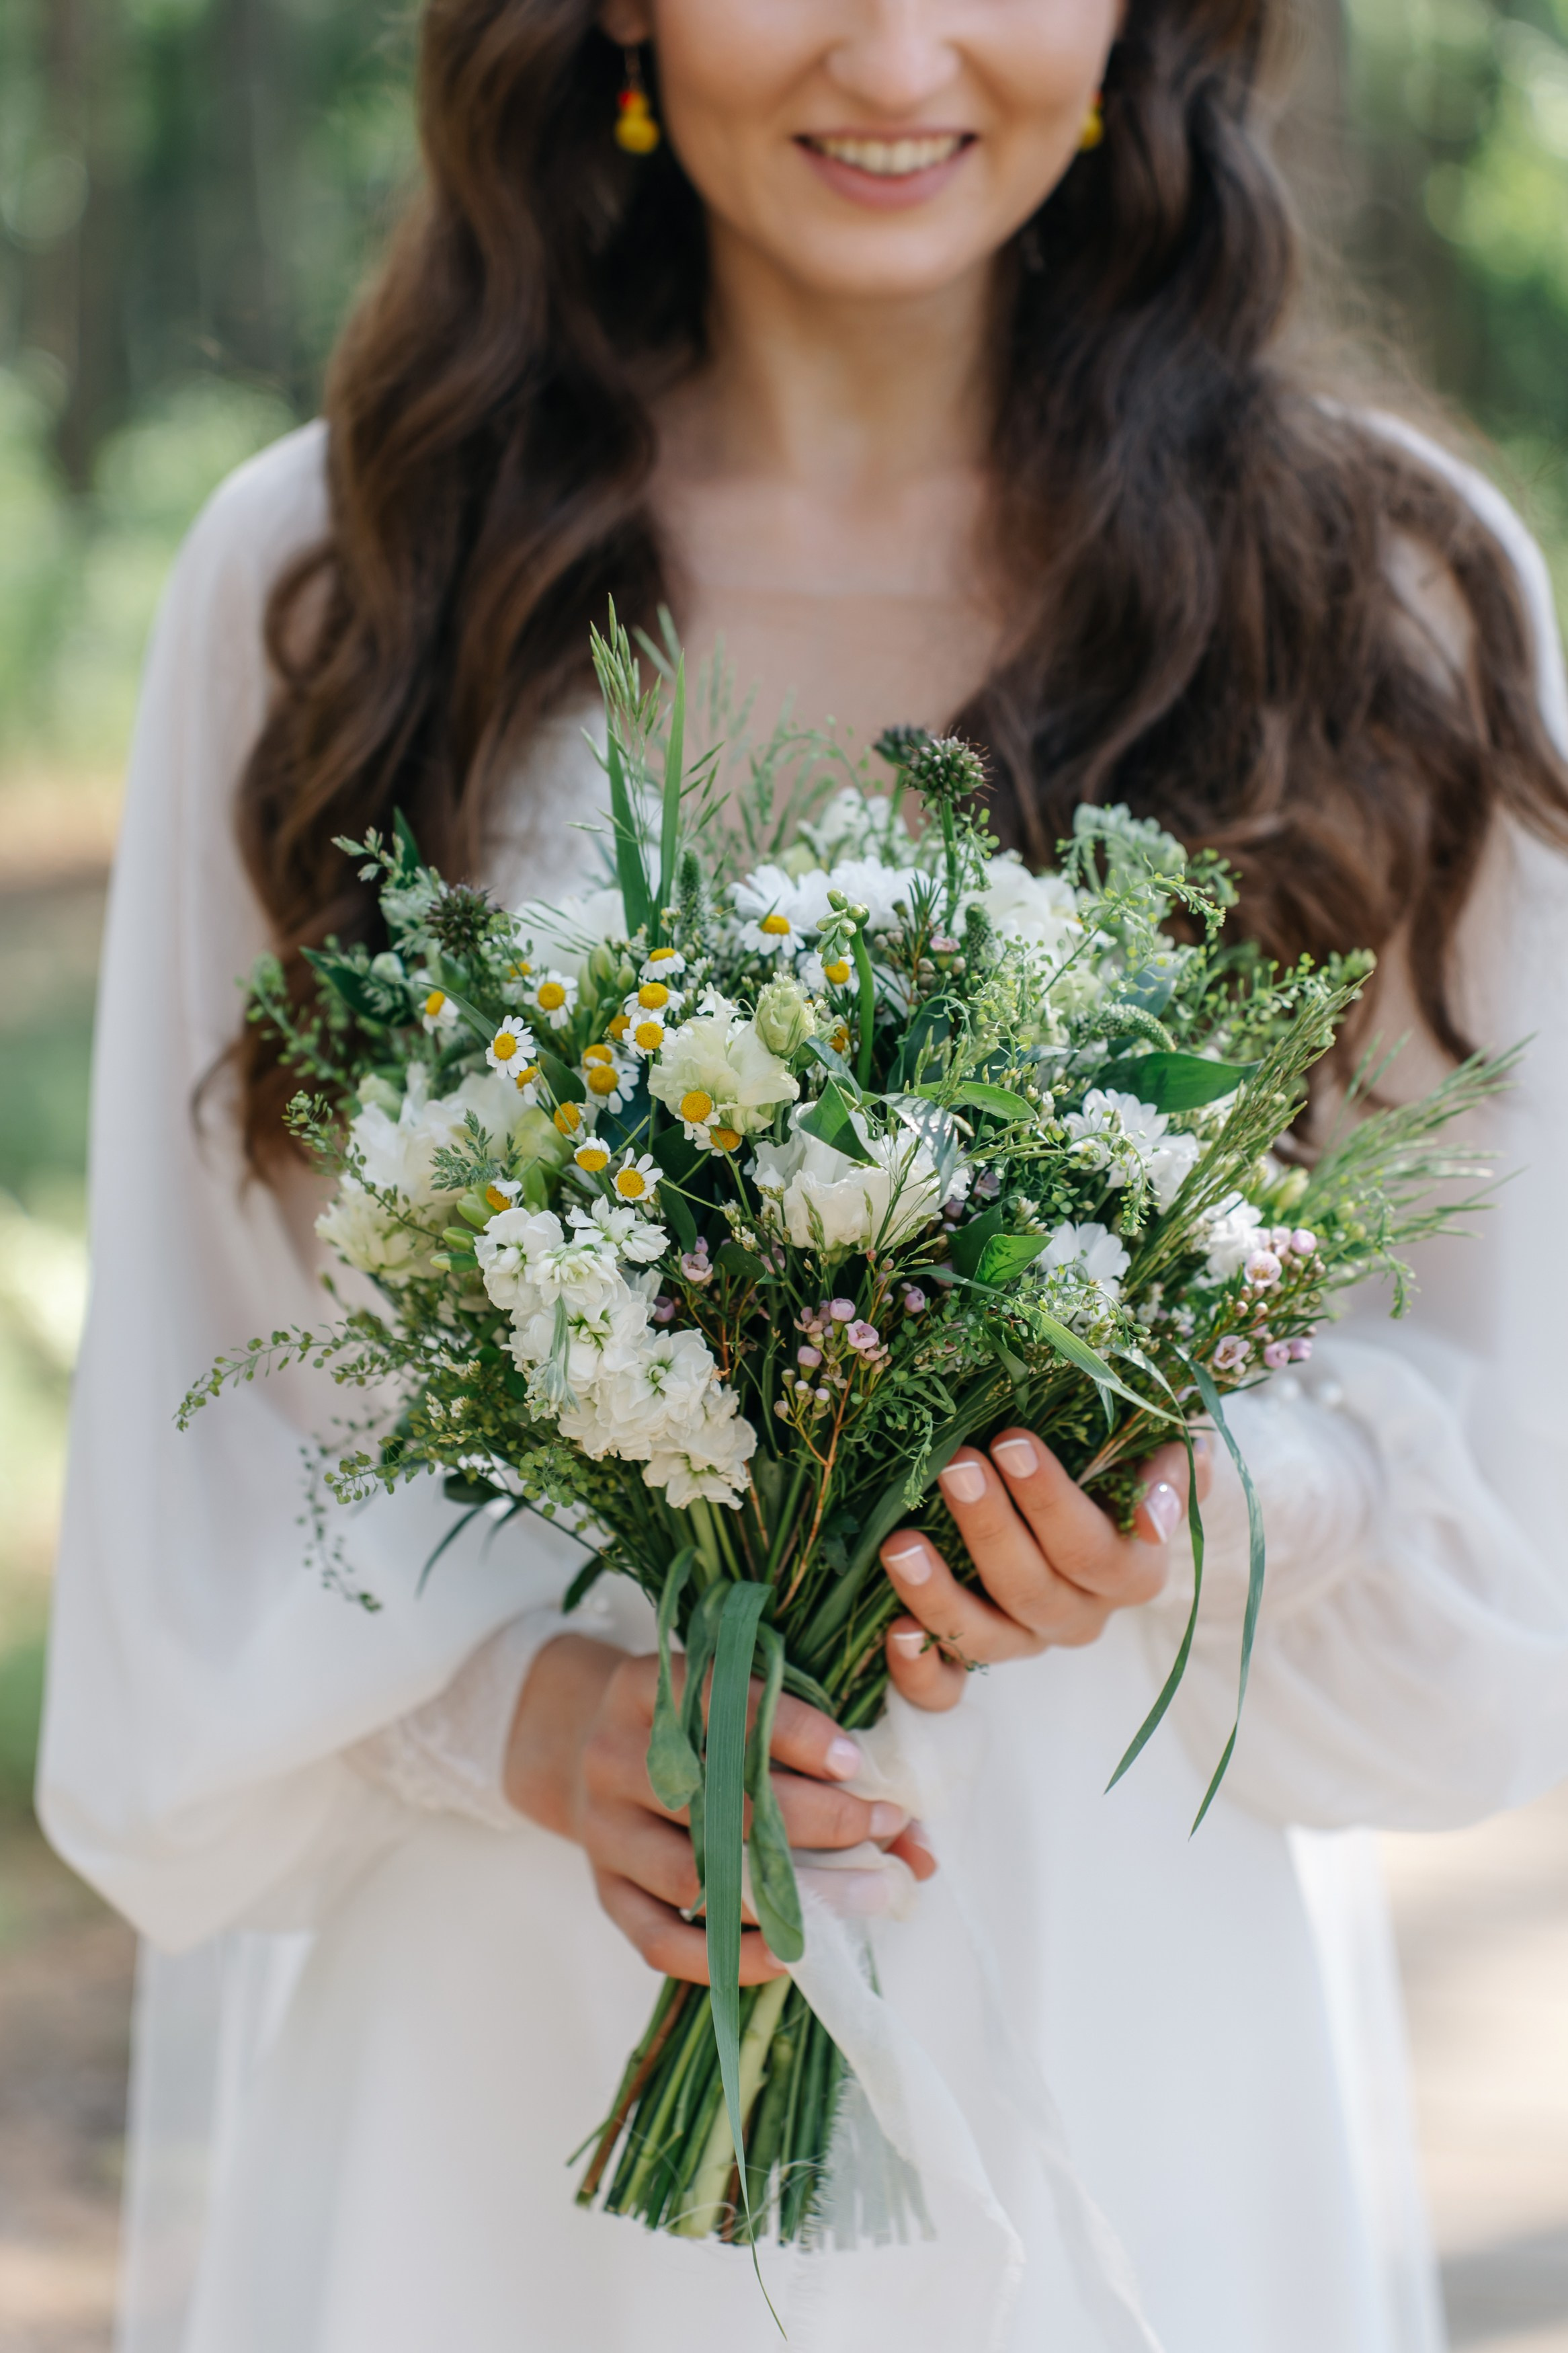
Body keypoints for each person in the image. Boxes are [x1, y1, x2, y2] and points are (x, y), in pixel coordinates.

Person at [38, 3, 1568, 2348]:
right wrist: (527, 1718)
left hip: (1117, 2012)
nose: (898, 45)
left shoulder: (1380, 590)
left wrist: (1192, 1508)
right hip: (504, 2062)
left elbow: (1494, 1461)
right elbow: (219, 1435)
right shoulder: (342, 576)